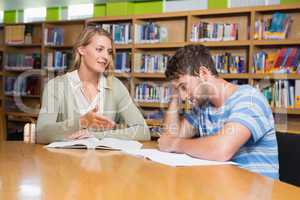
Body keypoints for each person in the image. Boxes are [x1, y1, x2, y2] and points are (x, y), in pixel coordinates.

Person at [158, 44, 279, 179]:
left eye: (184, 87)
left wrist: (174, 144)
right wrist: (175, 95)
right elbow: (170, 137)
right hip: (222, 186)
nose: (183, 97)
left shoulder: (249, 99)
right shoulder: (202, 106)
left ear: (203, 73)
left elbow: (222, 149)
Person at [37, 26, 150, 143]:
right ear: (81, 50)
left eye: (109, 52)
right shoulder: (56, 86)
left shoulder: (115, 86)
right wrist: (82, 122)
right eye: (99, 49)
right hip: (65, 159)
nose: (106, 57)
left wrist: (96, 135)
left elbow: (143, 131)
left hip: (104, 160)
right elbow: (41, 134)